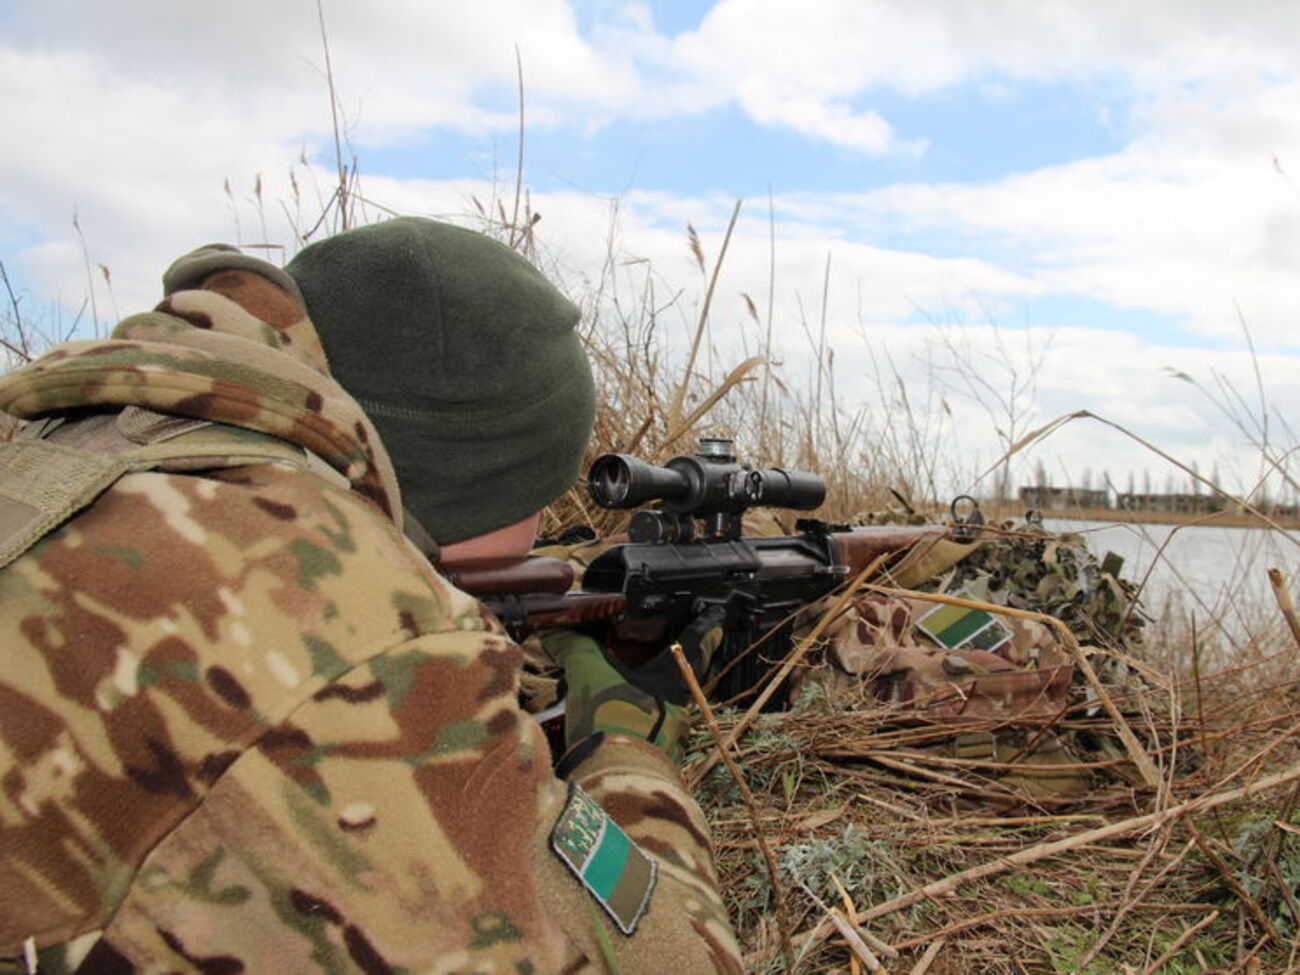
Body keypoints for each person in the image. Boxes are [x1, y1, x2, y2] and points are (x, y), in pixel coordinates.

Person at [0, 217, 741, 973]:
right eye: (537, 496)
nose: (546, 523)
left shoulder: (75, 458)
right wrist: (628, 752)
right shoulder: (354, 634)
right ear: (460, 487)